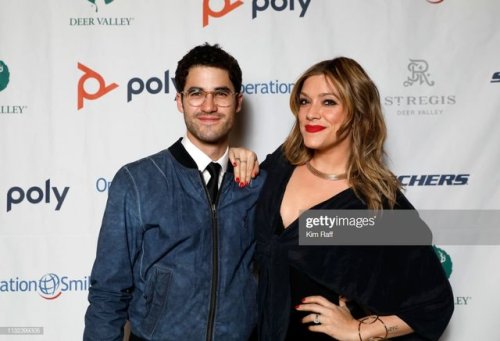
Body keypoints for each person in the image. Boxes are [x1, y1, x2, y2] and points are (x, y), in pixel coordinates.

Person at [254, 57, 454, 340]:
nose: (311, 113)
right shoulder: (279, 166)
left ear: (358, 112)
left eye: (328, 102)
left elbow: (434, 303)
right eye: (304, 101)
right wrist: (237, 158)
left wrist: (358, 329)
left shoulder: (376, 203)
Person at [84, 43, 264, 341]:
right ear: (179, 101)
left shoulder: (258, 182)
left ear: (238, 102)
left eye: (221, 93)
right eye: (196, 94)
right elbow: (108, 292)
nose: (208, 106)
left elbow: (329, 233)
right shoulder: (137, 181)